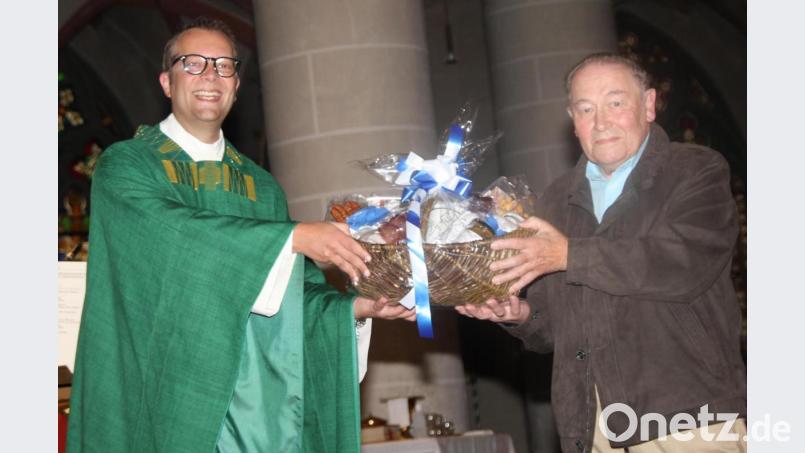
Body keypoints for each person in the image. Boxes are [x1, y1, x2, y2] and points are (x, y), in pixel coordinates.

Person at [67, 17, 414, 453]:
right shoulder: (128, 166)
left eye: (224, 66)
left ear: (235, 85)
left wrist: (356, 309)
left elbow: (298, 295)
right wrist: (291, 238)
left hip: (256, 416)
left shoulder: (261, 186)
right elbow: (173, 235)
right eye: (193, 63)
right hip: (165, 397)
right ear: (166, 82)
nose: (210, 75)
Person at [456, 53, 746, 452]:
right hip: (592, 425)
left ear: (648, 105)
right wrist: (519, 315)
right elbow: (553, 326)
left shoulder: (695, 170)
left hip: (688, 418)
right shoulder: (557, 198)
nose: (601, 122)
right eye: (586, 109)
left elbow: (682, 265)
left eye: (615, 103)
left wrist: (569, 255)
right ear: (572, 120)